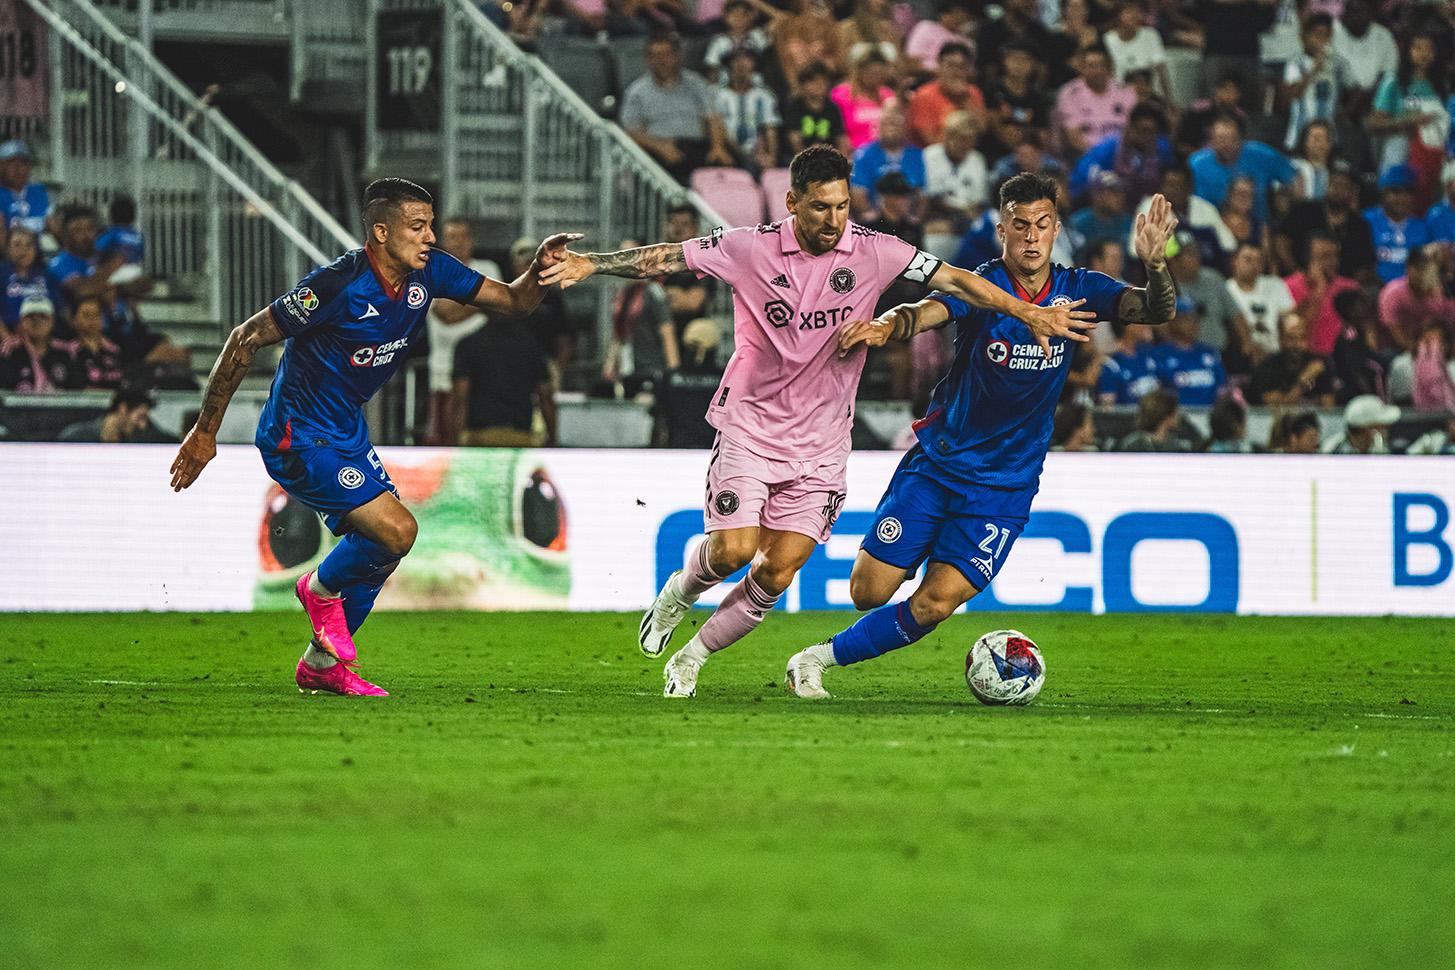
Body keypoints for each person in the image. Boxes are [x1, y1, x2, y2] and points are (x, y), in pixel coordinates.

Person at [539, 148, 1097, 698]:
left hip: (825, 447)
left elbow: (955, 281)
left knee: (775, 575)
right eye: (820, 208)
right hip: (751, 427)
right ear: (792, 203)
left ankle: (692, 658)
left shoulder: (875, 251)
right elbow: (669, 258)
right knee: (733, 551)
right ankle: (680, 593)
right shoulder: (749, 248)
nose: (833, 220)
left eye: (841, 207)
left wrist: (1028, 312)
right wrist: (595, 265)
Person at [777, 171, 1178, 699]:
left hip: (1005, 486)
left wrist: (1154, 263)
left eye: (1041, 224)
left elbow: (1155, 309)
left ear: (1056, 229)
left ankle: (814, 660)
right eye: (1020, 225)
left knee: (934, 604)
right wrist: (884, 326)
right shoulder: (983, 287)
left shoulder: (1080, 290)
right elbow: (925, 311)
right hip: (941, 463)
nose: (1031, 236)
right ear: (1002, 231)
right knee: (867, 591)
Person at [168, 178, 576, 697]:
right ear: (381, 231)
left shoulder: (431, 273)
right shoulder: (336, 286)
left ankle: (321, 664)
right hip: (297, 434)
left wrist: (541, 269)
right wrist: (206, 434)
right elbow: (244, 337)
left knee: (385, 548)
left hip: (346, 434)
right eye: (418, 226)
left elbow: (515, 303)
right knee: (398, 530)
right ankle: (317, 589)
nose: (430, 237)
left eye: (431, 224)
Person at [423, 216, 500, 446]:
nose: (456, 242)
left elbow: (498, 306)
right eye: (451, 237)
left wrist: (482, 303)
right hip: (443, 374)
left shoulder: (487, 267)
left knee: (481, 444)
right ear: (442, 241)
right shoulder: (429, 271)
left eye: (462, 236)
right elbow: (443, 314)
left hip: (485, 376)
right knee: (444, 444)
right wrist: (481, 303)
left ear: (472, 240)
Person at [619, 33, 734, 183]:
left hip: (697, 147)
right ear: (648, 60)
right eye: (655, 56)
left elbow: (714, 117)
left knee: (727, 164)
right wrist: (660, 146)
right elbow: (632, 130)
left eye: (666, 55)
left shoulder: (696, 83)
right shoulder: (636, 91)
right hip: (660, 149)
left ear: (677, 55)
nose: (661, 61)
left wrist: (717, 147)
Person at [452, 296, 558, 447]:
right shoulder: (530, 344)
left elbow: (460, 398)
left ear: (483, 310)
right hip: (520, 436)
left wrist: (455, 443)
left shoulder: (468, 344)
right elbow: (545, 395)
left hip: (480, 436)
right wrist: (553, 439)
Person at [1189, 114, 1296, 227]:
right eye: (1221, 139)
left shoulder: (1262, 155)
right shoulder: (1197, 164)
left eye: (1231, 139)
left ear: (1241, 138)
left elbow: (1295, 177)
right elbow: (1194, 205)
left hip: (1259, 226)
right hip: (1213, 228)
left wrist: (1287, 205)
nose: (1226, 144)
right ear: (1211, 139)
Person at [1053, 44, 1136, 160]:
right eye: (1090, 66)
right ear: (1082, 68)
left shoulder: (1125, 91)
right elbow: (1073, 138)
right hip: (1085, 157)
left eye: (1100, 66)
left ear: (1109, 67)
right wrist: (1097, 159)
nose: (1096, 71)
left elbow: (1132, 130)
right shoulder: (1069, 93)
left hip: (1121, 158)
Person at [849, 102, 926, 220]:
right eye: (887, 123)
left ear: (905, 126)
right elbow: (858, 194)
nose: (891, 128)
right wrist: (876, 218)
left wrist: (915, 220)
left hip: (907, 218)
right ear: (879, 126)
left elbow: (921, 194)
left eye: (896, 123)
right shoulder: (863, 154)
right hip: (874, 218)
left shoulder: (917, 155)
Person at [1148, 297, 1227, 406]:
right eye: (1187, 319)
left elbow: (1222, 388)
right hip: (1177, 418)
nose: (1193, 323)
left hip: (1209, 417)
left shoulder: (1210, 353)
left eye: (1195, 318)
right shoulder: (1159, 356)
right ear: (1173, 322)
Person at [906, 41, 985, 149]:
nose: (955, 72)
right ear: (939, 65)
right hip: (934, 156)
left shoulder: (973, 92)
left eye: (961, 67)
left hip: (967, 154)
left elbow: (982, 130)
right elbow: (930, 141)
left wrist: (964, 99)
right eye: (951, 65)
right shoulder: (925, 95)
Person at [1225, 241, 1294, 366]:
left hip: (1275, 355)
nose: (1254, 265)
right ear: (1234, 261)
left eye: (1259, 260)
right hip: (1241, 355)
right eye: (1248, 259)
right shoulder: (1226, 289)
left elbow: (1290, 320)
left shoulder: (1275, 284)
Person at [715, 47, 781, 173]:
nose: (741, 66)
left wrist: (771, 157)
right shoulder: (718, 95)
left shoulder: (764, 95)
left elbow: (770, 127)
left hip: (757, 151)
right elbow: (717, 127)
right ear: (729, 67)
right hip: (729, 151)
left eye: (747, 62)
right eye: (736, 62)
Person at [1249, 311, 1335, 407]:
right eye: (1291, 338)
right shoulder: (1267, 368)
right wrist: (1302, 382)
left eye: (1302, 338)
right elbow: (1276, 410)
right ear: (1281, 340)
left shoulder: (1318, 365)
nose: (1297, 345)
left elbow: (1328, 409)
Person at [1363, 165, 1430, 286]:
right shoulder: (1366, 220)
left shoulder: (1421, 226)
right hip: (1373, 289)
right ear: (1384, 192)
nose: (1402, 198)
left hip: (1411, 293)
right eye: (1396, 192)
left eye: (1407, 192)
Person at [0, 295, 76, 392]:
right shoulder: (9, 350)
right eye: (30, 317)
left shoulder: (65, 352)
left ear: (52, 322)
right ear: (21, 322)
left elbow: (76, 389)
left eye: (43, 317)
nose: (37, 321)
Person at [783, 61, 852, 158]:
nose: (819, 85)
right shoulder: (795, 107)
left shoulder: (833, 108)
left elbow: (841, 138)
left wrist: (840, 160)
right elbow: (794, 138)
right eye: (814, 82)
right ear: (803, 85)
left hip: (828, 157)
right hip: (800, 158)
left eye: (823, 81)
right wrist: (806, 159)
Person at [1, 225, 62, 333]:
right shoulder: (2, 275)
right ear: (7, 248)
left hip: (45, 338)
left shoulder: (48, 278)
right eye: (17, 245)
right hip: (10, 338)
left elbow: (61, 310)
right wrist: (6, 337)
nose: (23, 250)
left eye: (29, 245)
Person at [56, 383, 162, 443]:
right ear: (123, 409)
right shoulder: (76, 437)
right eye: (140, 417)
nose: (143, 425)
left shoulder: (141, 438)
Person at [66, 295, 125, 390]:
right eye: (86, 315)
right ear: (74, 320)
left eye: (97, 314)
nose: (92, 319)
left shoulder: (114, 349)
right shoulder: (69, 351)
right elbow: (78, 387)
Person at [1116, 386, 1193, 452]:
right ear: (1166, 416)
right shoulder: (1133, 446)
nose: (1178, 415)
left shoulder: (1181, 446)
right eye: (1175, 412)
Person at [0, 140, 52, 236]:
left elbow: (51, 224)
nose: (18, 169)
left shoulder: (38, 192)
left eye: (23, 163)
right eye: (11, 163)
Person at [1320, 393, 1398, 454]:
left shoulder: (1381, 448)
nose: (1384, 430)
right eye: (1381, 426)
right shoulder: (1331, 450)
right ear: (1367, 429)